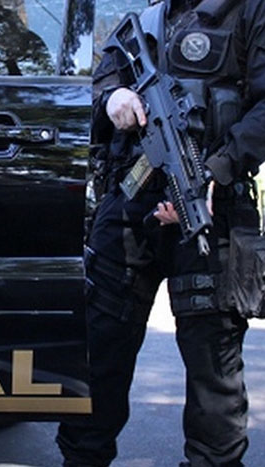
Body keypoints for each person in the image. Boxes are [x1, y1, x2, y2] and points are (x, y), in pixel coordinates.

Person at [56, 0, 265, 465]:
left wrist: (218, 169)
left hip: (211, 205)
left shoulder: (249, 11)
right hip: (127, 206)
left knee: (213, 370)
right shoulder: (144, 20)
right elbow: (96, 87)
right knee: (98, 352)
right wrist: (114, 99)